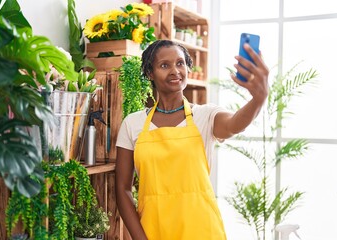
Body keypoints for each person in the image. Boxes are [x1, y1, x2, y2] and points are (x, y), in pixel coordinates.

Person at [115, 39, 269, 240]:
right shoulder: (132, 123)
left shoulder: (205, 116)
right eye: (164, 65)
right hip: (153, 230)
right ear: (150, 73)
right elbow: (122, 188)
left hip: (203, 230)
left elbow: (234, 125)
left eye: (180, 63)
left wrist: (258, 99)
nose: (175, 71)